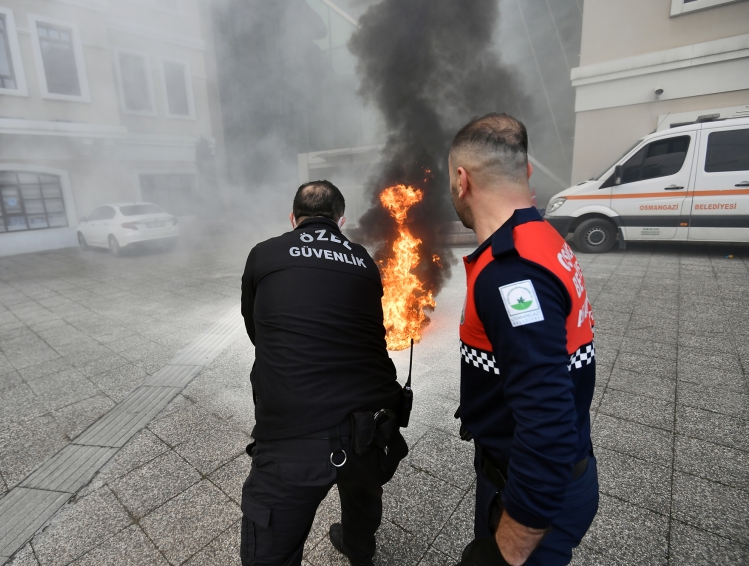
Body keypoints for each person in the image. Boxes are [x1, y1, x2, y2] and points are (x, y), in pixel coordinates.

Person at [447, 114, 598, 566]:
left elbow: (548, 426)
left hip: (534, 497)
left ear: (462, 180)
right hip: (532, 476)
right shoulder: (541, 238)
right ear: (527, 172)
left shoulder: (512, 274)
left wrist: (509, 550)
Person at [239, 181, 408, 566]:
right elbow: (369, 331)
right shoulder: (363, 260)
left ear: (293, 217)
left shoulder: (264, 254)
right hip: (370, 425)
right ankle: (359, 549)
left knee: (271, 550)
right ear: (340, 220)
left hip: (293, 434)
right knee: (363, 492)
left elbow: (256, 333)